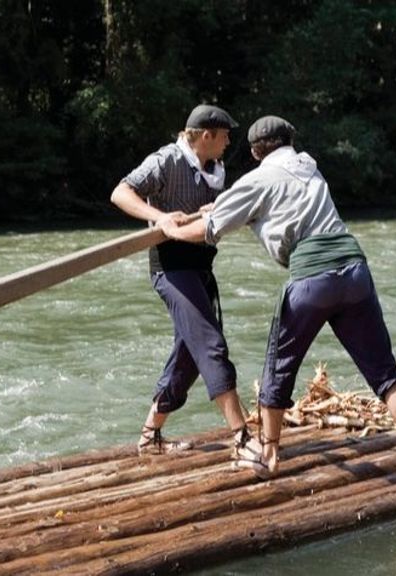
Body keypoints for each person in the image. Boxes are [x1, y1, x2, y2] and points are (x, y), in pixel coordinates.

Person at [161, 115, 396, 485]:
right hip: (354, 269)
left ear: (254, 151)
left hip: (313, 276)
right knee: (385, 372)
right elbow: (255, 206)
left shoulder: (257, 180)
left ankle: (270, 456)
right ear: (289, 142)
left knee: (278, 368)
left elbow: (210, 230)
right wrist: (226, 208)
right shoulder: (309, 165)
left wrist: (171, 230)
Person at [110, 104, 251, 458]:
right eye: (224, 135)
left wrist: (215, 210)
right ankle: (244, 437)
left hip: (201, 266)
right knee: (209, 343)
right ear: (206, 135)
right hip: (171, 269)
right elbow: (121, 192)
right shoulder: (166, 161)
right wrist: (161, 218)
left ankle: (149, 436)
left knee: (188, 356)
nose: (228, 140)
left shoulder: (216, 168)